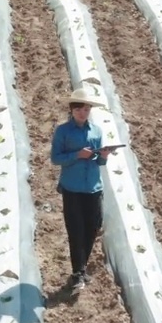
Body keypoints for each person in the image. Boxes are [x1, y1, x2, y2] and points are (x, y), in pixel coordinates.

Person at [50, 85, 118, 294]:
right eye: (79, 108)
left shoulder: (96, 131)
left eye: (87, 109)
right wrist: (77, 155)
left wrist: (103, 156)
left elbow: (98, 161)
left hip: (93, 187)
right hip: (73, 188)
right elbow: (55, 158)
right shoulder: (63, 131)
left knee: (93, 227)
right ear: (71, 109)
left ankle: (81, 267)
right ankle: (78, 272)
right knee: (76, 229)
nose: (83, 112)